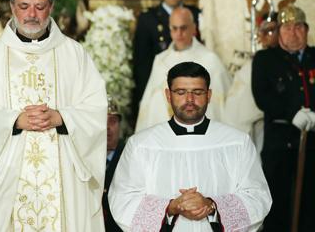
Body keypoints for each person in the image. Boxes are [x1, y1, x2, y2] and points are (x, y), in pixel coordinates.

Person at [0, 0, 107, 232]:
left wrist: (61, 117)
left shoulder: (73, 54)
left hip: (65, 176)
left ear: (50, 8)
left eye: (39, 7)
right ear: (12, 7)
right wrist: (14, 120)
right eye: (24, 6)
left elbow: (95, 108)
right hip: (10, 175)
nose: (32, 14)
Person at [109, 62, 272, 231]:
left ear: (209, 95)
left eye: (198, 92)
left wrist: (212, 205)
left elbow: (257, 196)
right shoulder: (141, 144)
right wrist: (170, 207)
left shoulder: (237, 142)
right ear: (168, 96)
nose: (189, 100)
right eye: (181, 92)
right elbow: (123, 199)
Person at [251, 4, 315, 232]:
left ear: (306, 30)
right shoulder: (265, 59)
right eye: (287, 27)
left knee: (311, 206)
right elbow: (262, 96)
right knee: (277, 207)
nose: (293, 32)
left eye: (298, 27)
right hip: (279, 146)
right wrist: (292, 113)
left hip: (312, 146)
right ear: (279, 31)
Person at [135, 7, 230, 132]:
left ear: (194, 28)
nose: (179, 33)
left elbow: (223, 107)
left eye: (183, 28)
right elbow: (148, 106)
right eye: (174, 28)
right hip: (164, 133)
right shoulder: (160, 60)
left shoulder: (210, 60)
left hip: (202, 132)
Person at [132, 0, 200, 117]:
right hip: (160, 88)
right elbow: (141, 64)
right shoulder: (148, 19)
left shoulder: (196, 15)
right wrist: (144, 97)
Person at [222, 12, 278, 146]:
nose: (263, 35)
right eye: (261, 31)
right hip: (246, 131)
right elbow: (237, 107)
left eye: (270, 30)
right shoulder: (254, 63)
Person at [103, 99, 125, 232]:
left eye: (112, 121)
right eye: (102, 121)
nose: (107, 127)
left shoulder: (130, 155)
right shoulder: (83, 159)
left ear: (120, 125)